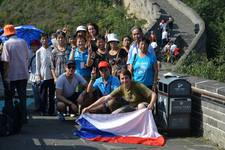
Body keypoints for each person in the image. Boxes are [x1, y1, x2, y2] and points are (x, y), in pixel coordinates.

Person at [82, 69, 157, 114]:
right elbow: (105, 98)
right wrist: (88, 108)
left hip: (144, 107)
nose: (124, 80)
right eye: (122, 78)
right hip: (132, 107)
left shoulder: (138, 85)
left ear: (130, 78)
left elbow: (153, 94)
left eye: (126, 78)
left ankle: (142, 128)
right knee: (114, 115)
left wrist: (151, 104)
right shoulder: (121, 88)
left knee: (140, 106)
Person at [1, 24, 30, 123]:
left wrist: (5, 76)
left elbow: (5, 62)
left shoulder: (7, 44)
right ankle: (23, 118)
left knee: (9, 97)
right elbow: (27, 57)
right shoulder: (23, 42)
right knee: (23, 97)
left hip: (11, 75)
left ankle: (10, 118)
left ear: (7, 34)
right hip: (23, 74)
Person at [36, 33, 55, 116]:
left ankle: (51, 111)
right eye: (43, 39)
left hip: (52, 75)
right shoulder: (38, 51)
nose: (44, 41)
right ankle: (42, 110)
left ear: (48, 40)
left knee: (51, 95)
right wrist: (38, 75)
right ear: (40, 40)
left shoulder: (52, 49)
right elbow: (38, 65)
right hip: (43, 76)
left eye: (46, 39)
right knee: (43, 95)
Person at [28, 40, 41, 111]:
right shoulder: (30, 54)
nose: (33, 47)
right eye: (32, 45)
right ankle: (37, 107)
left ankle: (41, 107)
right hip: (33, 77)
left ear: (38, 46)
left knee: (40, 94)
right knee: (35, 94)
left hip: (40, 77)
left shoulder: (41, 53)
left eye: (34, 45)